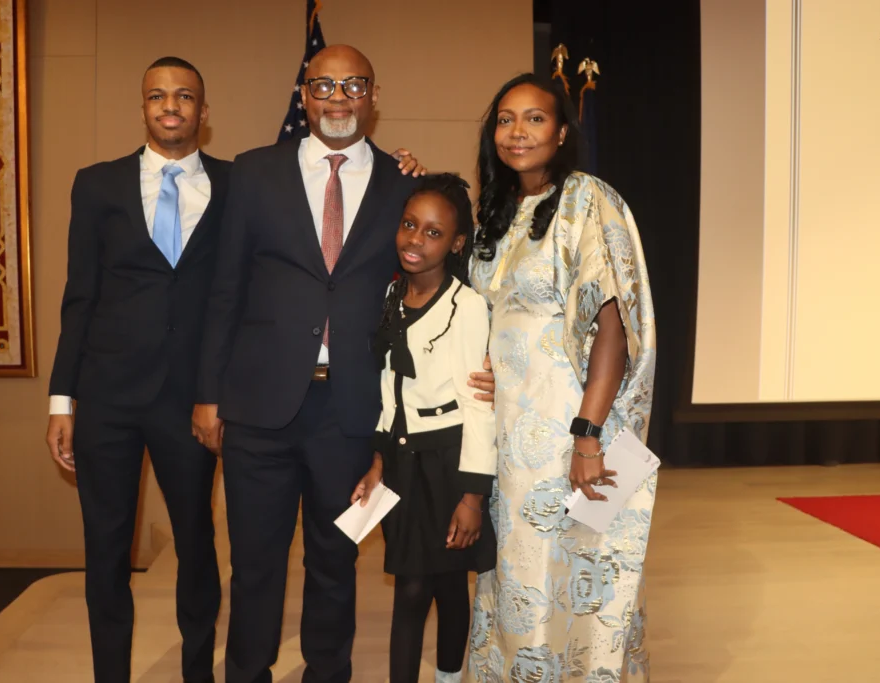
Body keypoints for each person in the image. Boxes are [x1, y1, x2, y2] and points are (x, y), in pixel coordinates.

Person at [192, 45, 496, 683]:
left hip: (355, 406)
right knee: (254, 562)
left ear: (373, 96)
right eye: (324, 85)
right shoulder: (252, 172)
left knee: (335, 556)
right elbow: (226, 288)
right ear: (304, 94)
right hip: (259, 404)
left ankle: (326, 673)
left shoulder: (403, 183)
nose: (338, 97)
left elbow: (437, 281)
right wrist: (207, 392)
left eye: (353, 85)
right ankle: (247, 673)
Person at [465, 74, 657, 682]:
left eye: (535, 119)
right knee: (520, 575)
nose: (517, 131)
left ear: (563, 131)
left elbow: (613, 324)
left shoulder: (588, 200)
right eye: (505, 119)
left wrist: (588, 434)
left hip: (575, 430)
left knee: (585, 579)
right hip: (510, 435)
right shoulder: (498, 212)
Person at [45, 57, 228, 683]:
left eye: (183, 96)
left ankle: (198, 671)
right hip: (108, 398)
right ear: (144, 107)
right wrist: (61, 402)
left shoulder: (238, 185)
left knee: (197, 547)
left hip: (193, 400)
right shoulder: (97, 184)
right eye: (157, 95)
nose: (169, 105)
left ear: (204, 113)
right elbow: (79, 297)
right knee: (106, 551)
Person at [351, 173, 496, 683]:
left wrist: (474, 497)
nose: (416, 239)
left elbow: (480, 407)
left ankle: (449, 676)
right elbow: (390, 390)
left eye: (434, 232)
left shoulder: (467, 306)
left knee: (447, 584)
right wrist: (376, 462)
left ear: (457, 243)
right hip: (399, 459)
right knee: (414, 584)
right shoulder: (391, 295)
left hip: (448, 463)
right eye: (410, 225)